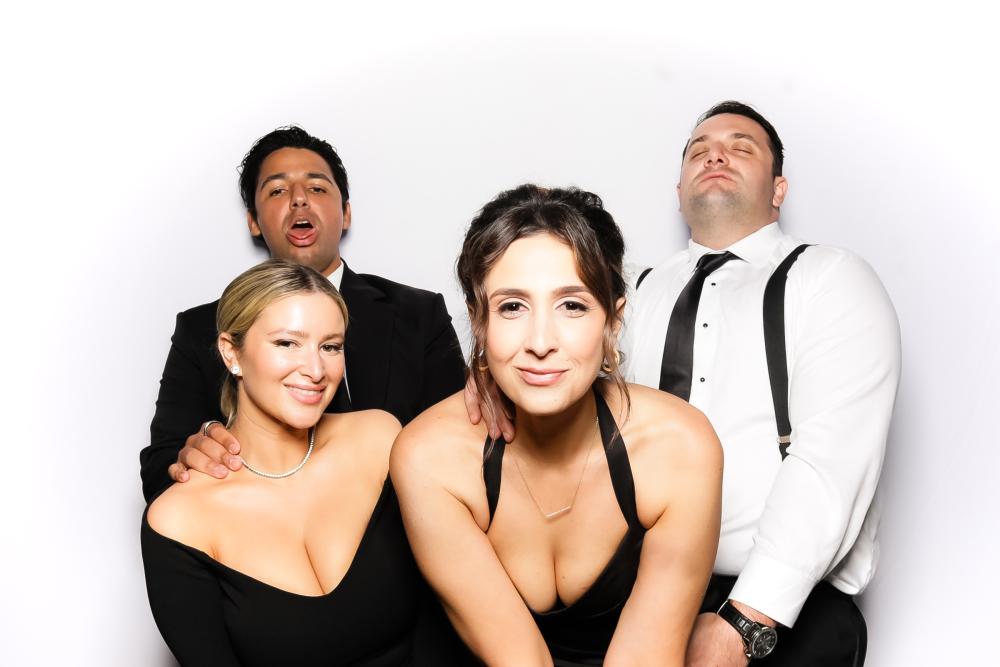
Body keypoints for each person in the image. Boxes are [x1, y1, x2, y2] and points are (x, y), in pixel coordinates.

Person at [391, 185, 723, 666]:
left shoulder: (678, 448)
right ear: (478, 320)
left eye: (572, 305)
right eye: (512, 306)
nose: (541, 342)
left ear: (613, 321)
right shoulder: (430, 457)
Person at [621, 102, 901, 665]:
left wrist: (745, 623)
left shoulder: (830, 279)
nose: (715, 155)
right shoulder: (633, 293)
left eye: (740, 148)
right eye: (699, 152)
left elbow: (831, 463)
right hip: (640, 591)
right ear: (679, 192)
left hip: (786, 607)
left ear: (778, 190)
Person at [139, 126, 466, 503]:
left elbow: (463, 448)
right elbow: (160, 471)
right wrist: (197, 452)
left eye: (317, 188)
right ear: (254, 221)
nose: (298, 200)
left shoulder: (418, 313)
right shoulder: (201, 327)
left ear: (345, 213)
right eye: (277, 190)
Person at [142, 258, 437, 665]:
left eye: (330, 346)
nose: (315, 370)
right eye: (287, 343)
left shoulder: (378, 439)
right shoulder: (179, 519)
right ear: (231, 353)